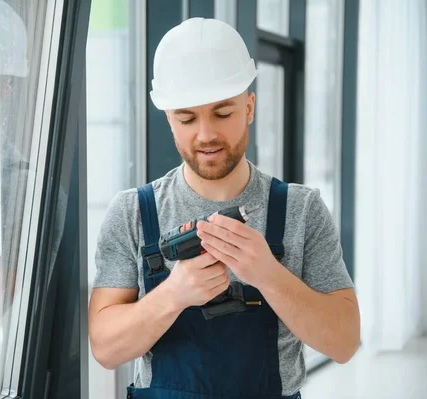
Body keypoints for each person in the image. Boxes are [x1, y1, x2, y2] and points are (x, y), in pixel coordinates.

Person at [88, 17, 361, 399]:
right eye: (187, 118)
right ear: (169, 118)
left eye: (222, 113)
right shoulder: (133, 212)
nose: (206, 135)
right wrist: (174, 294)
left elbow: (345, 342)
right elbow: (105, 349)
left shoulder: (302, 209)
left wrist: (267, 274)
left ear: (249, 107)